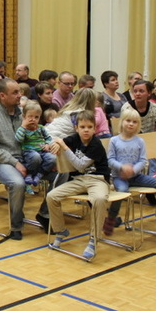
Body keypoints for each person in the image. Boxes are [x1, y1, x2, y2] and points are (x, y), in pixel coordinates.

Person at [0, 78, 38, 240]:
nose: (20, 95)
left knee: (59, 171)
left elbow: (35, 137)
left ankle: (45, 215)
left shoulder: (24, 113)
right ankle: (16, 226)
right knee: (17, 183)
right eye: (15, 92)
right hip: (0, 163)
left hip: (26, 157)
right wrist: (15, 162)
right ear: (2, 96)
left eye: (20, 92)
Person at [46, 110, 110, 260]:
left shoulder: (96, 144)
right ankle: (60, 230)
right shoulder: (74, 138)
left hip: (98, 179)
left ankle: (94, 239)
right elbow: (57, 141)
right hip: (79, 180)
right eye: (82, 127)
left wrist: (64, 146)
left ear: (94, 129)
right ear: (76, 128)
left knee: (99, 200)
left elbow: (80, 165)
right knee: (51, 196)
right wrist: (56, 143)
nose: (86, 130)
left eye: (89, 127)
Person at [106, 106, 156, 233]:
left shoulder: (140, 141)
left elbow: (142, 160)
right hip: (120, 178)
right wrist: (122, 167)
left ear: (138, 125)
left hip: (137, 177)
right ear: (122, 122)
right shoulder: (114, 140)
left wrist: (133, 170)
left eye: (134, 122)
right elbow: (110, 160)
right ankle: (111, 217)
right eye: (128, 121)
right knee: (122, 191)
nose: (131, 124)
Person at [15, 101, 55, 185]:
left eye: (36, 117)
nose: (33, 119)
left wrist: (47, 144)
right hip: (29, 152)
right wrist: (23, 126)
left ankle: (40, 174)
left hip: (42, 151)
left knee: (52, 158)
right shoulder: (22, 129)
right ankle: (29, 173)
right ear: (24, 117)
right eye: (30, 116)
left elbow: (48, 138)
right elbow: (19, 139)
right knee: (36, 157)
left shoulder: (41, 128)